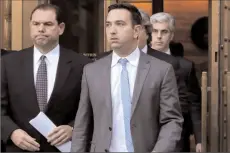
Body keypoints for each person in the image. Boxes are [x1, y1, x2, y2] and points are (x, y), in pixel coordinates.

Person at [71, 3, 183, 152]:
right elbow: (82, 124)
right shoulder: (91, 71)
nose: (112, 30)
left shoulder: (161, 70)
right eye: (108, 25)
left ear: (136, 30)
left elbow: (171, 121)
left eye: (120, 24)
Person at [1, 4, 91, 152]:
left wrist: (73, 128)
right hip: (18, 148)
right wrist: (12, 132)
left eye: (48, 24)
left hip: (63, 148)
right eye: (36, 24)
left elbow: (90, 108)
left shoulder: (81, 65)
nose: (41, 29)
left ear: (61, 28)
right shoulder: (8, 63)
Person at [150, 12, 202, 152]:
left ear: (171, 36)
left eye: (164, 31)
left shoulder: (185, 66)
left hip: (177, 138)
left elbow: (194, 104)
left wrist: (199, 140)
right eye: (155, 31)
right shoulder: (135, 62)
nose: (159, 36)